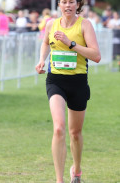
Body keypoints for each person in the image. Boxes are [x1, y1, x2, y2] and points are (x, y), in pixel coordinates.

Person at [35, 0, 101, 183]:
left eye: (71, 1)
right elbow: (46, 43)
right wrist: (42, 60)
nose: (67, 5)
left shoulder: (85, 25)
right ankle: (59, 180)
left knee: (75, 133)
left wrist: (70, 43)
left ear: (77, 4)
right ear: (59, 5)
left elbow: (96, 56)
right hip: (55, 81)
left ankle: (77, 170)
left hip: (78, 82)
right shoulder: (51, 24)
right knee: (58, 128)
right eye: (64, 1)